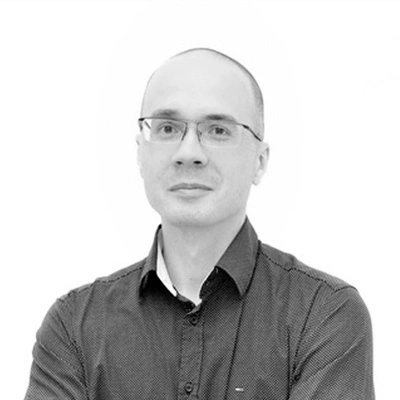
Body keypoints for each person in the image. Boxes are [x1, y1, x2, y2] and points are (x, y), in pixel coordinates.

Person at [24, 48, 374, 399]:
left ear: (260, 161)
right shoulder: (74, 327)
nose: (188, 153)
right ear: (140, 153)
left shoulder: (324, 315)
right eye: (167, 128)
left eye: (218, 130)